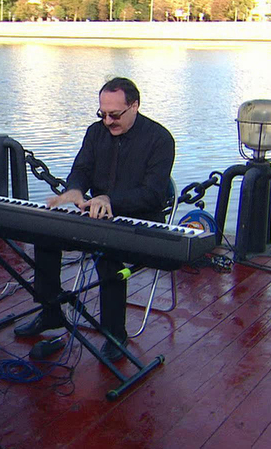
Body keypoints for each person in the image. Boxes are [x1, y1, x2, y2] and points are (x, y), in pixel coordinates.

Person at [13, 77, 175, 362]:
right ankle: (51, 312)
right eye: (103, 114)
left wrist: (111, 200)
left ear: (135, 106)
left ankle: (115, 333)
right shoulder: (95, 132)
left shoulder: (160, 140)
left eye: (115, 115)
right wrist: (74, 189)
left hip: (140, 221)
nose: (108, 121)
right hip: (98, 215)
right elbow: (82, 169)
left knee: (107, 254)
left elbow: (153, 194)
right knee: (45, 236)